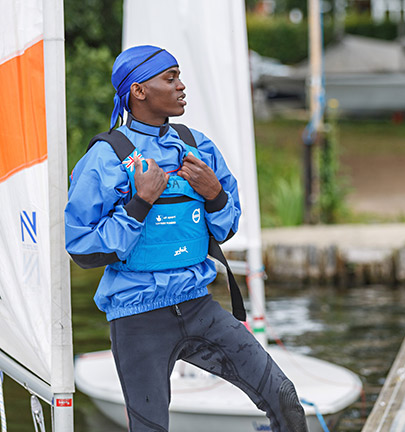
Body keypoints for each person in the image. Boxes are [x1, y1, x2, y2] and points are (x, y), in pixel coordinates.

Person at [65, 45, 308, 432]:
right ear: (139, 91)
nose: (181, 86)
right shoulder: (105, 158)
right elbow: (83, 249)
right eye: (170, 77)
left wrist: (214, 193)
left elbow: (225, 229)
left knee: (285, 398)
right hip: (137, 317)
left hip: (198, 305)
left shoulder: (197, 146)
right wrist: (140, 202)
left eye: (179, 77)